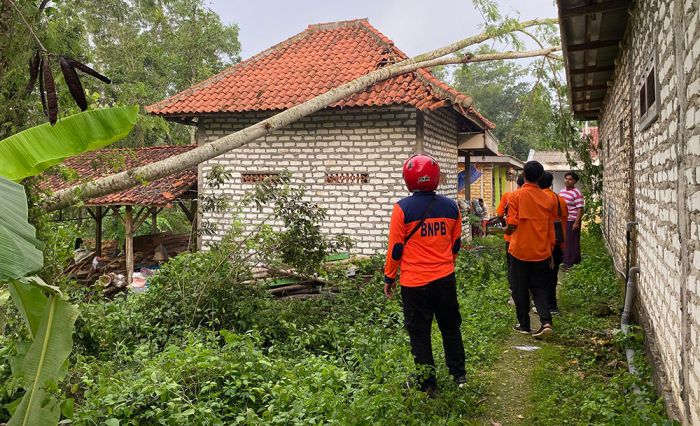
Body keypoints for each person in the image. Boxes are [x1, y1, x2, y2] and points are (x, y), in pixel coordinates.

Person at [384, 153, 466, 395]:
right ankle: (459, 375)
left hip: (414, 283)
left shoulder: (402, 209)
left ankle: (428, 385)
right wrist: (445, 264)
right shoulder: (451, 207)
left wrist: (389, 277)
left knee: (420, 333)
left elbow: (396, 249)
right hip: (445, 279)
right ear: (436, 178)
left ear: (408, 179)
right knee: (450, 327)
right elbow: (456, 244)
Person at [504, 161, 558, 339]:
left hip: (519, 251)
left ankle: (525, 325)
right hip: (541, 251)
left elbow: (512, 223)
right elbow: (551, 228)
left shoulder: (515, 196)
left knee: (520, 288)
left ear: (524, 175)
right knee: (540, 288)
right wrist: (550, 250)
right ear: (541, 177)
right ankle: (545, 321)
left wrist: (506, 231)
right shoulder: (548, 199)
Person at [538, 172, 568, 314]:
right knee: (553, 274)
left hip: (543, 242)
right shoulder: (559, 199)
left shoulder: (539, 199)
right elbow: (564, 220)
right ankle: (552, 305)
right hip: (558, 242)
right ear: (551, 183)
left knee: (541, 277)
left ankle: (546, 306)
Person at [495, 174, 524, 297]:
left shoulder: (509, 196)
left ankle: (513, 289)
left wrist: (504, 226)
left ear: (517, 183)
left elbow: (499, 213)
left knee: (512, 265)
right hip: (529, 237)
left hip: (511, 237)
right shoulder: (537, 197)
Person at [559, 172, 585, 268]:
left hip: (572, 220)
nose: (567, 181)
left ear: (575, 181)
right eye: (566, 178)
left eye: (570, 179)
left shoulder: (576, 193)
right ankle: (571, 259)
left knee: (571, 241)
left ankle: (569, 262)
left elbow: (580, 208)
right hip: (564, 220)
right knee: (565, 241)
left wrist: (577, 222)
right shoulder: (562, 192)